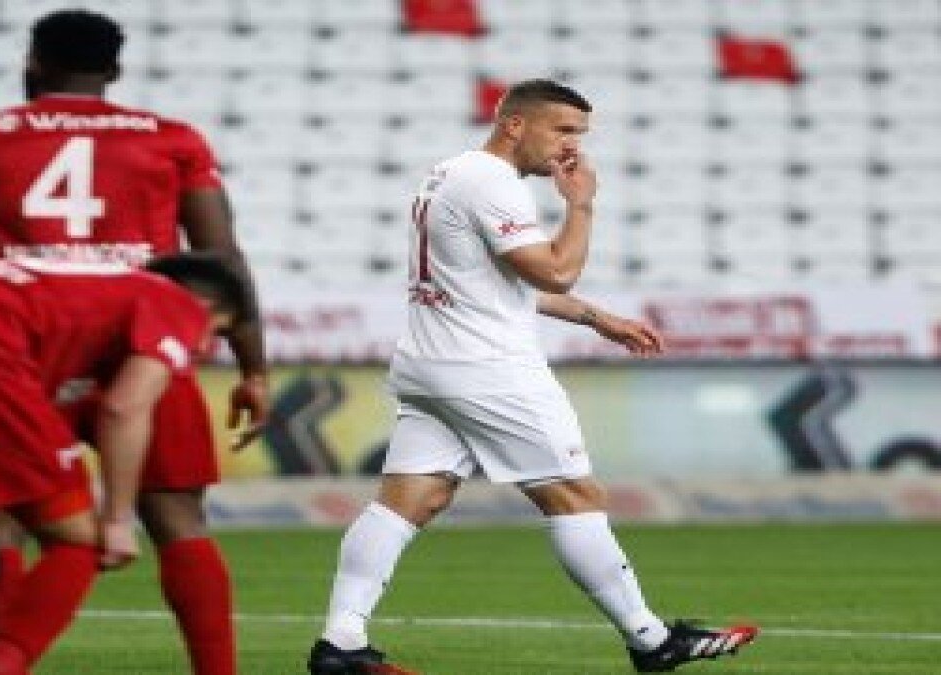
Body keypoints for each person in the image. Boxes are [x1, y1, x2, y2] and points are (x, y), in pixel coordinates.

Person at [306, 80, 759, 674]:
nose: (572, 147)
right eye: (562, 130)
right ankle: (651, 641)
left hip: (429, 365)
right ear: (514, 124)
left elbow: (497, 284)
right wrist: (581, 205)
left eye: (580, 135)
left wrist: (598, 318)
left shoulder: (450, 172)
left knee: (410, 499)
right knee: (574, 495)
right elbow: (555, 272)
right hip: (489, 370)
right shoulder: (494, 183)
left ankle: (340, 643)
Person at [0, 10, 267, 673]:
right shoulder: (173, 140)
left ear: (33, 61)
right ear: (114, 70)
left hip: (19, 356)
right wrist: (252, 369)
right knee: (178, 519)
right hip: (142, 343)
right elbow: (222, 258)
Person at [0, 253, 247, 675]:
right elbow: (124, 408)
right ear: (204, 307)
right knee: (79, 540)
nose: (203, 349)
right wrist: (117, 518)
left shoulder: (73, 287)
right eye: (216, 334)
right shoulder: (173, 300)